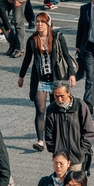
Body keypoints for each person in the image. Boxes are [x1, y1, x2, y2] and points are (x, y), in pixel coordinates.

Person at [19, 13, 77, 152]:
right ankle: (40, 141)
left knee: (55, 109)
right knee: (40, 110)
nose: (39, 24)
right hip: (39, 80)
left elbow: (67, 56)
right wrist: (21, 76)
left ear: (48, 24)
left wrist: (72, 74)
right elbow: (27, 59)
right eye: (37, 21)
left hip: (55, 79)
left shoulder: (57, 38)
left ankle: (56, 137)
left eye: (42, 22)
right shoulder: (32, 40)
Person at [45, 82, 94, 172]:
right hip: (59, 159)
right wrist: (54, 150)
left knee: (74, 184)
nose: (59, 99)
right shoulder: (51, 109)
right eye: (56, 96)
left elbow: (89, 131)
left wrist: (81, 150)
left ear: (69, 93)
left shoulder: (80, 106)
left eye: (62, 96)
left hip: (76, 157)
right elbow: (49, 133)